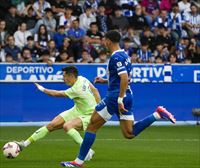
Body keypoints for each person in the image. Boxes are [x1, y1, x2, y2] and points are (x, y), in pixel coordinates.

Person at [61, 30, 176, 167]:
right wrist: (105, 80)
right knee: (129, 133)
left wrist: (119, 99)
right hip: (128, 95)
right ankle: (157, 114)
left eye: (104, 40)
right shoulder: (124, 56)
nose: (103, 42)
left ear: (108, 41)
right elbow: (122, 77)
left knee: (91, 126)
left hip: (115, 98)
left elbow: (124, 78)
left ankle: (78, 162)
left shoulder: (116, 58)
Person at [16, 66, 101, 161]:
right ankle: (24, 144)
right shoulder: (82, 78)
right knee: (51, 125)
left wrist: (42, 88)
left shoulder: (76, 89)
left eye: (64, 76)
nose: (63, 78)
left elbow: (56, 94)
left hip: (88, 114)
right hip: (77, 110)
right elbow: (96, 91)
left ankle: (87, 150)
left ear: (71, 76)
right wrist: (99, 106)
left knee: (67, 126)